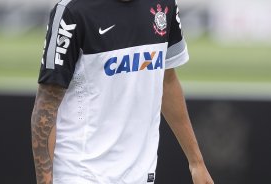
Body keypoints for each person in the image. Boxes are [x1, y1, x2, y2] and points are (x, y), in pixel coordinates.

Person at [31, 0, 214, 183]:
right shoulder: (71, 11)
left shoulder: (164, 4)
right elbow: (46, 104)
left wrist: (196, 162)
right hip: (81, 173)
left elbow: (167, 80)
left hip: (140, 175)